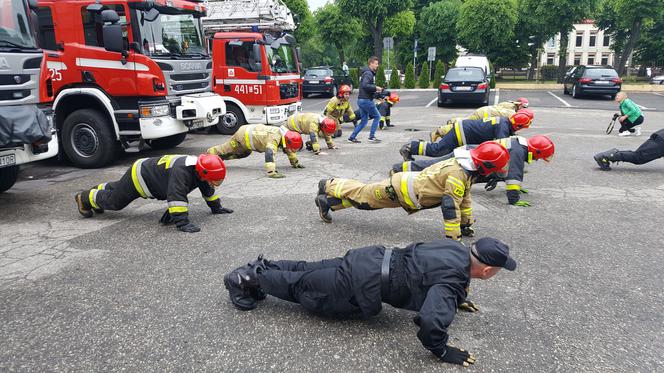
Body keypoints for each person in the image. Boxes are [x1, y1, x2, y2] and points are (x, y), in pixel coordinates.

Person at [223, 237, 517, 367]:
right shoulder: (451, 284)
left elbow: (429, 266)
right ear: (488, 270)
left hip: (371, 258)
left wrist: (457, 298)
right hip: (361, 284)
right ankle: (243, 280)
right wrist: (440, 350)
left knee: (308, 269)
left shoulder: (455, 248)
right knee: (303, 288)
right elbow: (430, 320)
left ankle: (262, 267)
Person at [315, 142, 510, 240]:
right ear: (485, 166)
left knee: (365, 203)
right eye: (493, 170)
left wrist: (466, 224)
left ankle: (329, 203)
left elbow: (464, 199)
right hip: (400, 190)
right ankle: (328, 184)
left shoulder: (466, 170)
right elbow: (450, 205)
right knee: (363, 196)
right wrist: (453, 239)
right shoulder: (459, 173)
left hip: (406, 192)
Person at [74, 154, 231, 233]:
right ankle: (85, 197)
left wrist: (216, 207)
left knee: (118, 187)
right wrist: (182, 222)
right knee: (116, 202)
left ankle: (97, 189)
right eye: (214, 180)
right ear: (203, 172)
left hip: (145, 168)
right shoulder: (182, 172)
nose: (214, 184)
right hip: (141, 177)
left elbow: (207, 189)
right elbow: (176, 197)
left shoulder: (198, 167)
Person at [393, 135, 555, 207]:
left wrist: (500, 179)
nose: (537, 160)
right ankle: (400, 168)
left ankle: (403, 169)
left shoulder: (519, 145)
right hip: (468, 154)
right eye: (540, 157)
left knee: (434, 166)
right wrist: (514, 197)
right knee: (434, 166)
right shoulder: (519, 151)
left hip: (473, 154)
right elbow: (514, 175)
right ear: (537, 152)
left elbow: (505, 169)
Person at [401, 110, 532, 161]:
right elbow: (499, 149)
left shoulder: (504, 122)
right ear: (519, 126)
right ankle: (410, 147)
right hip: (462, 133)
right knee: (438, 151)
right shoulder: (503, 128)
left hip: (463, 130)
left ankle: (415, 146)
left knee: (440, 151)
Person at [207, 124, 303, 179]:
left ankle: (220, 158)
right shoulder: (275, 137)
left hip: (247, 137)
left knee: (244, 154)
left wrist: (295, 162)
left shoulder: (284, 137)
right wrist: (271, 172)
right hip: (242, 136)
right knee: (226, 148)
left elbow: (288, 150)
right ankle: (208, 155)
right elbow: (269, 153)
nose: (292, 150)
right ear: (288, 141)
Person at [429, 109, 534, 143]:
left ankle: (452, 121)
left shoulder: (513, 113)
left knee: (465, 123)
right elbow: (502, 137)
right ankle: (439, 131)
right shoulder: (510, 115)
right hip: (482, 115)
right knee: (464, 126)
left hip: (484, 115)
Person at [348, 56, 382, 143]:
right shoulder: (368, 73)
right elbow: (365, 85)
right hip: (366, 100)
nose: (377, 65)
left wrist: (377, 95)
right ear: (371, 64)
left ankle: (352, 137)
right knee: (377, 116)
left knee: (364, 121)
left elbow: (367, 89)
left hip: (361, 100)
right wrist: (376, 87)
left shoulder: (367, 73)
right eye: (376, 64)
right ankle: (371, 136)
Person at [594, 129, 664, 170]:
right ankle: (605, 157)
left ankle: (609, 155)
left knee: (638, 156)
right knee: (639, 157)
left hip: (660, 135)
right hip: (661, 141)